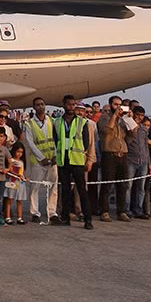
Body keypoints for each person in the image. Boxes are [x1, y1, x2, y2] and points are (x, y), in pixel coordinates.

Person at [54, 95, 95, 230]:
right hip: (63, 160)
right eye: (69, 104)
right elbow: (56, 139)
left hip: (77, 161)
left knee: (82, 190)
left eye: (73, 104)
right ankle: (65, 217)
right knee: (65, 190)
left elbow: (86, 142)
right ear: (64, 105)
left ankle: (88, 220)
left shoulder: (82, 122)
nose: (71, 107)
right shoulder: (58, 121)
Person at [22, 97, 58, 225]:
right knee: (35, 187)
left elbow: (56, 139)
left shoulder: (52, 121)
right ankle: (35, 212)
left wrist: (55, 156)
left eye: (42, 104)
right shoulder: (29, 124)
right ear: (34, 107)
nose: (41, 107)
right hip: (38, 161)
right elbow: (30, 143)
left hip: (52, 159)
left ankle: (52, 212)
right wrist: (42, 158)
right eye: (38, 105)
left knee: (53, 186)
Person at [97, 96, 132, 222]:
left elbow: (132, 133)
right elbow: (106, 130)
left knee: (122, 185)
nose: (118, 107)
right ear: (110, 105)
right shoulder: (105, 117)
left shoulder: (123, 120)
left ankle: (121, 211)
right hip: (109, 154)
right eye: (115, 104)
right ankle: (104, 211)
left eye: (120, 104)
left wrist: (129, 119)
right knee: (107, 184)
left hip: (122, 154)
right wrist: (115, 116)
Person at [127, 106, 151, 219]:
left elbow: (146, 147)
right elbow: (127, 141)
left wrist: (149, 164)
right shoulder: (128, 126)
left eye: (141, 115)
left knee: (141, 187)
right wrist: (134, 128)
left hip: (143, 161)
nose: (139, 117)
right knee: (128, 186)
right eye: (137, 115)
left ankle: (138, 209)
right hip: (131, 160)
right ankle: (127, 209)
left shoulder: (144, 129)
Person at [4, 141, 27, 225]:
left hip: (20, 182)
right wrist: (17, 175)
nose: (19, 154)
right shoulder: (11, 160)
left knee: (20, 200)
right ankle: (7, 217)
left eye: (21, 152)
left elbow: (23, 171)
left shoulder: (22, 161)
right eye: (18, 152)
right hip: (12, 181)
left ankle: (20, 217)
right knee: (10, 199)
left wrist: (25, 177)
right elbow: (10, 170)